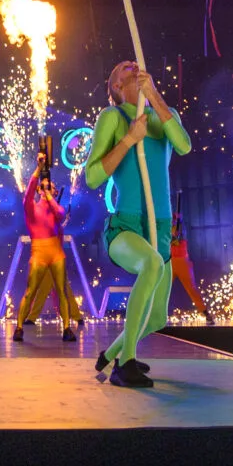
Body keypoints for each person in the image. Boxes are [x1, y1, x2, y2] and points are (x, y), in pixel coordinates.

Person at [83, 60, 190, 389]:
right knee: (151, 262)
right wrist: (129, 139)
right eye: (123, 69)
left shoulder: (165, 112)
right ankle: (125, 363)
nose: (133, 64)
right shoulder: (112, 116)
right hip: (126, 226)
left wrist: (154, 96)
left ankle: (111, 354)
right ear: (116, 87)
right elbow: (92, 177)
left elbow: (184, 146)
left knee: (158, 317)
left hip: (159, 229)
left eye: (135, 64)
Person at [15, 170, 81, 342]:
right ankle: (19, 327)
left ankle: (67, 328)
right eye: (44, 187)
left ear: (55, 192)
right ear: (38, 189)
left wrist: (49, 195)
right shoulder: (31, 208)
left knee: (62, 292)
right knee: (30, 292)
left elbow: (59, 214)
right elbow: (28, 194)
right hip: (39, 253)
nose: (48, 188)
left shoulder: (55, 209)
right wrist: (38, 169)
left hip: (56, 254)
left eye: (51, 187)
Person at [167, 214, 206, 317]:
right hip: (171, 262)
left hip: (182, 262)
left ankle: (204, 312)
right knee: (163, 288)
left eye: (174, 220)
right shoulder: (168, 229)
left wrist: (178, 221)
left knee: (192, 289)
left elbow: (179, 236)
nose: (172, 222)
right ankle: (153, 313)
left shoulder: (182, 229)